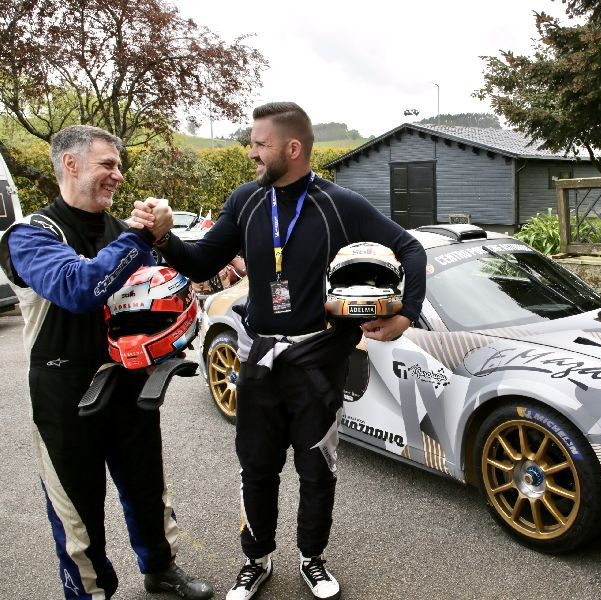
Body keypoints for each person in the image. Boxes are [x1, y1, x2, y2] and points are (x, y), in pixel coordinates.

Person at [132, 101, 426, 600]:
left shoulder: (340, 204)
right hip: (259, 358)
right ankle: (257, 559)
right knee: (256, 468)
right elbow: (201, 262)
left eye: (259, 144)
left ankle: (312, 559)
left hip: (318, 361)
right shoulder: (246, 200)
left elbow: (410, 248)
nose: (250, 152)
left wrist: (405, 315)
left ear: (292, 148)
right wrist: (163, 237)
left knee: (317, 470)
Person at [0, 126, 214, 599]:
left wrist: (169, 338)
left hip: (130, 384)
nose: (118, 175)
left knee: (148, 488)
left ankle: (161, 568)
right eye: (107, 164)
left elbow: (162, 297)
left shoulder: (121, 231)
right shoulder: (29, 235)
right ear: (70, 163)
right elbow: (77, 288)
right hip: (63, 396)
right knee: (77, 509)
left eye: (119, 165)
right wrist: (139, 237)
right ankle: (91, 592)